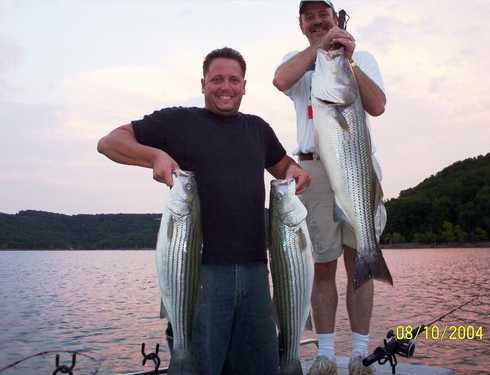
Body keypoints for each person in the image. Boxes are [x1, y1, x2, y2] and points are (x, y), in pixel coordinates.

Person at [98, 47, 311, 375]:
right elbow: (110, 142)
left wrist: (295, 171)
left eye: (233, 80)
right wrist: (155, 156)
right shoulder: (178, 121)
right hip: (198, 275)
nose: (225, 87)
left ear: (244, 86)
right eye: (217, 80)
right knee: (198, 366)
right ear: (203, 84)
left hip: (257, 274)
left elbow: (283, 165)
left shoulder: (258, 129)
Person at [273, 1, 387, 374]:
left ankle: (358, 353)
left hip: (356, 166)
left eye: (324, 14)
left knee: (359, 259)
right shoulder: (301, 58)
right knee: (322, 265)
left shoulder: (361, 57)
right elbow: (280, 80)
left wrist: (347, 59)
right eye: (310, 16)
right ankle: (324, 354)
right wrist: (319, 50)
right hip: (311, 170)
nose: (317, 20)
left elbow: (378, 106)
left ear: (337, 18)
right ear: (301, 24)